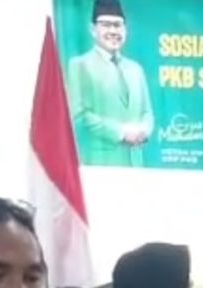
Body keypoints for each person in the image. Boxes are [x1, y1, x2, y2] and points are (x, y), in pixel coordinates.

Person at [67, 0, 153, 167]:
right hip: (100, 164)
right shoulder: (80, 65)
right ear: (93, 29)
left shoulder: (136, 69)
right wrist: (121, 133)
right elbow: (79, 116)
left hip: (136, 164)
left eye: (117, 25)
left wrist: (143, 132)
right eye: (106, 25)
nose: (113, 31)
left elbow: (147, 113)